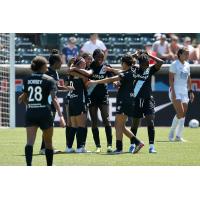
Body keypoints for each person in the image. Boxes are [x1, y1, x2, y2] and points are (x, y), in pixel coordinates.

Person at [87, 53, 145, 154]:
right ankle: (137, 142)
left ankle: (120, 148)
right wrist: (111, 70)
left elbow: (111, 79)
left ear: (124, 63)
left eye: (122, 63)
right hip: (129, 100)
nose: (121, 65)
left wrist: (94, 82)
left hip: (124, 100)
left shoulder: (126, 73)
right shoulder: (132, 71)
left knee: (118, 125)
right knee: (121, 126)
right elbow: (120, 72)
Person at [18, 56, 66, 166]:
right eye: (46, 65)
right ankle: (49, 166)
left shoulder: (27, 79)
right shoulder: (49, 80)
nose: (47, 67)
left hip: (31, 112)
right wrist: (61, 116)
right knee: (48, 143)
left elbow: (24, 97)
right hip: (45, 112)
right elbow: (54, 99)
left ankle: (29, 165)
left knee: (30, 142)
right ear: (42, 66)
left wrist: (30, 105)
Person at [72, 49, 113, 153]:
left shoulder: (106, 66)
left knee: (106, 120)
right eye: (98, 57)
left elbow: (111, 78)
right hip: (91, 96)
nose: (100, 59)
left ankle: (109, 145)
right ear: (94, 57)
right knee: (94, 121)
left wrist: (116, 83)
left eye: (102, 57)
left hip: (103, 95)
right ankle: (98, 146)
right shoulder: (89, 67)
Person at [39, 49, 73, 155]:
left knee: (48, 126)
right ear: (56, 62)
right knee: (48, 126)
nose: (62, 63)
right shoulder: (48, 72)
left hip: (49, 102)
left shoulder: (54, 72)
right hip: (48, 102)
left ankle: (44, 148)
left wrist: (66, 88)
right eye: (60, 61)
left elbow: (55, 86)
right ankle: (45, 148)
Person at [130, 50, 164, 153]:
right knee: (135, 124)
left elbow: (161, 62)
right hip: (136, 100)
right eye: (145, 64)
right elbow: (126, 60)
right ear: (140, 64)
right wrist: (135, 55)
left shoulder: (150, 70)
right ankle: (132, 144)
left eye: (148, 63)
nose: (147, 65)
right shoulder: (134, 70)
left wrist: (149, 55)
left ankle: (151, 146)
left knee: (150, 122)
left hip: (148, 99)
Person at [168, 47, 194, 142]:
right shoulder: (174, 64)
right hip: (175, 89)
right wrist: (173, 92)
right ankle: (172, 132)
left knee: (183, 113)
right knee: (180, 112)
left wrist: (190, 91)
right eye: (185, 54)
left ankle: (178, 137)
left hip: (184, 91)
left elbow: (188, 78)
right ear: (180, 54)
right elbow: (171, 79)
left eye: (188, 53)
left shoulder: (187, 65)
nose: (187, 55)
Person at [66, 56, 89, 153]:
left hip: (71, 100)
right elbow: (86, 81)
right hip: (80, 100)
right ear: (79, 64)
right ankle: (80, 147)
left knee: (74, 125)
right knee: (81, 125)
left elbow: (69, 71)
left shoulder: (70, 74)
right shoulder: (81, 74)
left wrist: (73, 67)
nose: (85, 64)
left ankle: (69, 147)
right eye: (83, 62)